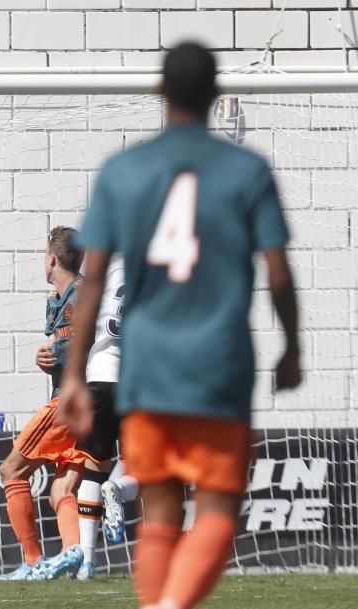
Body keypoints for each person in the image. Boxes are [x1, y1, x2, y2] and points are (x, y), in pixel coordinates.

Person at [59, 42, 301, 609]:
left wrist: (74, 374)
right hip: (218, 362)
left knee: (160, 507)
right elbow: (279, 273)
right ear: (216, 95)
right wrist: (292, 348)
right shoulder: (247, 169)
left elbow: (91, 281)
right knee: (216, 506)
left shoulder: (123, 171)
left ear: (159, 93)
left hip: (145, 365)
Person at [0, 227, 87, 581]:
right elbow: (61, 346)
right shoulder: (60, 298)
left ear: (51, 258)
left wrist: (58, 354)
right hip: (86, 405)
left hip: (70, 402)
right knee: (62, 488)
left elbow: (82, 344)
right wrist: (47, 355)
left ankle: (33, 562)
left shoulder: (81, 296)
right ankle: (71, 552)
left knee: (11, 471)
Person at [73, 254, 140, 580]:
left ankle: (87, 562)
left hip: (99, 376)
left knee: (92, 469)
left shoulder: (104, 263)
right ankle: (117, 488)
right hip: (137, 382)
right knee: (147, 470)